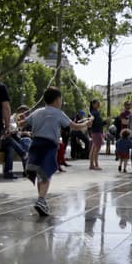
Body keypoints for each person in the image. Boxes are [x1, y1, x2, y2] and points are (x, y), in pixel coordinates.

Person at [20, 87, 92, 216]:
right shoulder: (58, 113)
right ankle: (41, 200)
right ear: (57, 100)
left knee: (40, 173)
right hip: (49, 146)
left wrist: (18, 118)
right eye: (61, 99)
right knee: (46, 174)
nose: (61, 102)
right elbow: (74, 126)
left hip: (35, 144)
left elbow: (21, 123)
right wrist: (87, 123)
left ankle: (41, 200)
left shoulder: (37, 112)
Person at [0, 63, 15, 179]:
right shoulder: (0, 87)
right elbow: (6, 108)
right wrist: (7, 126)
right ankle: (24, 154)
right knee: (8, 143)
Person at [88, 99, 106, 170]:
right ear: (93, 104)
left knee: (93, 149)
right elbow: (93, 122)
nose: (99, 104)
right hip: (96, 132)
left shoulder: (95, 112)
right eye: (97, 103)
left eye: (99, 103)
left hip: (96, 132)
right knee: (96, 149)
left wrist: (105, 122)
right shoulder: (93, 113)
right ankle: (95, 165)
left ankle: (92, 165)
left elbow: (99, 123)